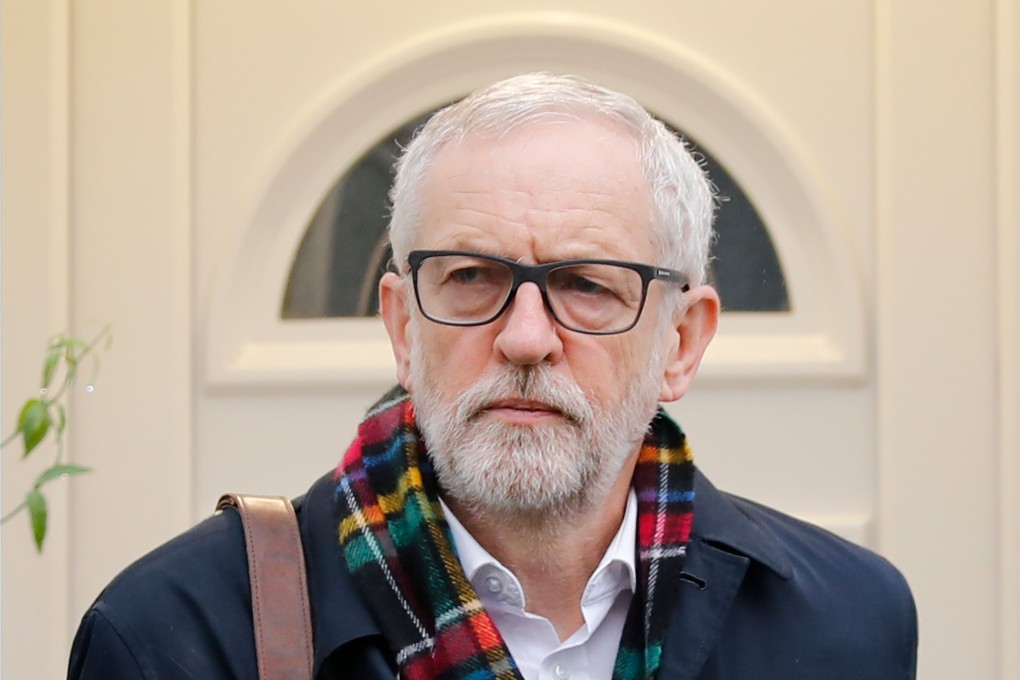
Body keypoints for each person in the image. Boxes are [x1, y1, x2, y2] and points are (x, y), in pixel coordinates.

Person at [68, 73, 917, 680]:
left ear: (681, 344)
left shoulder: (845, 621)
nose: (523, 338)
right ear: (403, 325)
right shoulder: (175, 635)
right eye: (471, 277)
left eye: (587, 285)